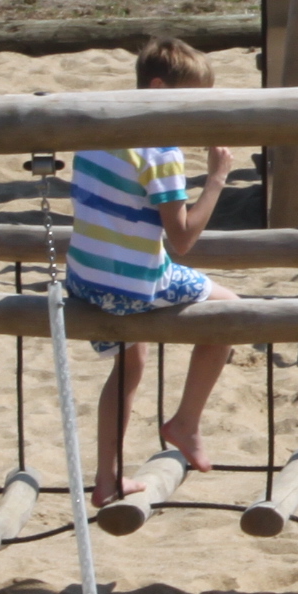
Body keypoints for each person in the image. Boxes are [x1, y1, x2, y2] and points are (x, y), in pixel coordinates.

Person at [66, 37, 240, 508]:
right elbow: (182, 240)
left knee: (131, 363)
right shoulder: (161, 150)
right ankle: (185, 421)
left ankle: (108, 479)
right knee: (231, 313)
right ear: (160, 88)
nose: (197, 117)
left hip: (86, 275)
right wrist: (218, 178)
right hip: (129, 283)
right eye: (192, 103)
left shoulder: (99, 129)